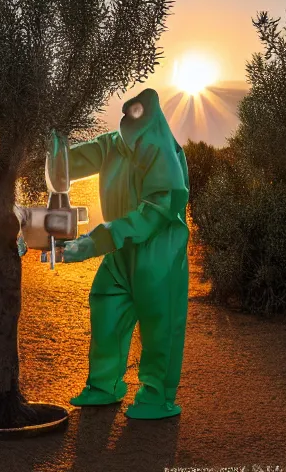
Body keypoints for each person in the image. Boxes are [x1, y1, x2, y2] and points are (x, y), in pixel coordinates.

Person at [61, 88, 190, 419]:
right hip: (120, 251)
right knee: (106, 305)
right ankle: (105, 385)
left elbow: (157, 211)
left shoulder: (163, 151)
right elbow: (69, 161)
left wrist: (95, 241)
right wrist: (49, 150)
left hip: (158, 253)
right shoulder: (112, 144)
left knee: (160, 321)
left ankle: (157, 394)